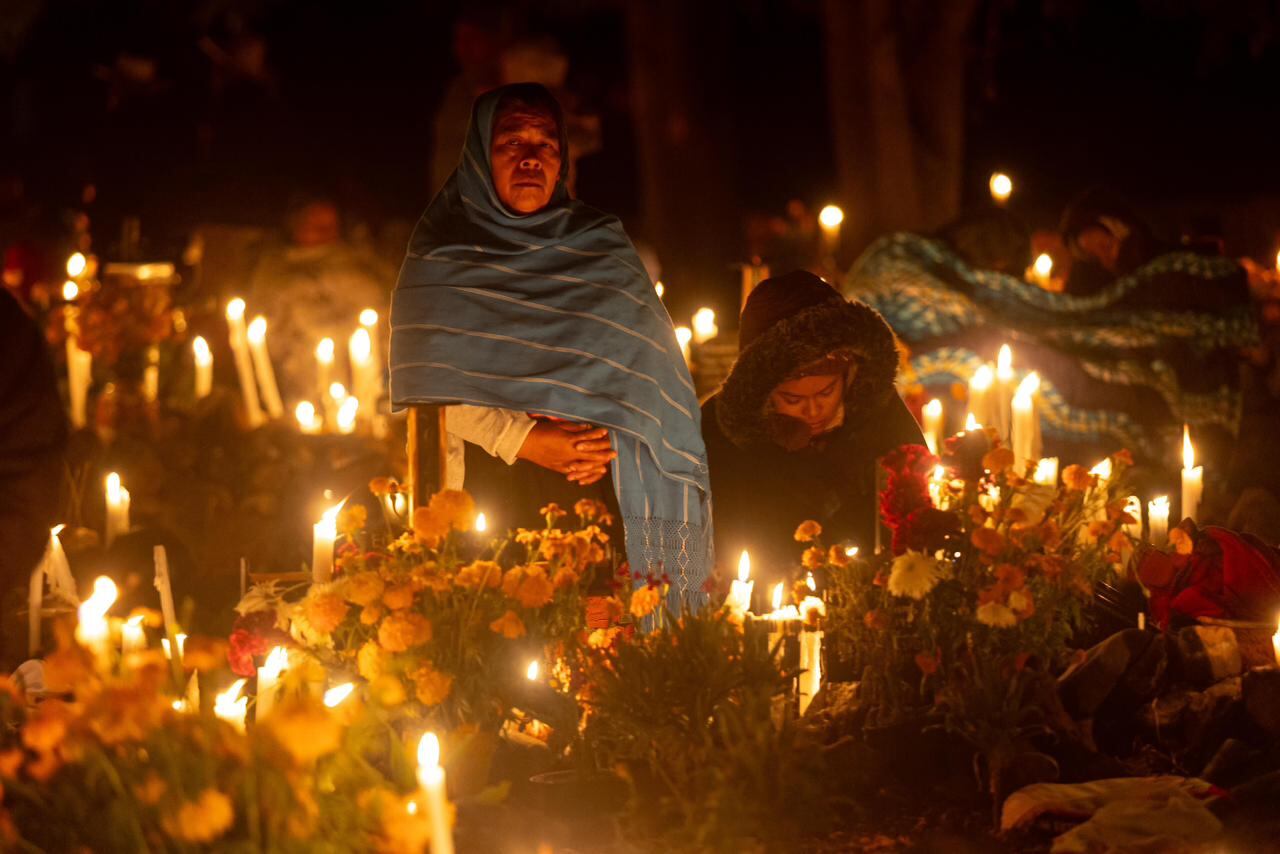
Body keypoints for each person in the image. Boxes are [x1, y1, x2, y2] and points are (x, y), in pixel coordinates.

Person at [390, 83, 711, 606]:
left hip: (600, 484)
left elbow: (646, 374)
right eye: (513, 143)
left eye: (547, 145)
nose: (531, 159)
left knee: (602, 646)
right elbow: (429, 391)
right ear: (479, 157)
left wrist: (600, 438)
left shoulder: (600, 247)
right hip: (490, 488)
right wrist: (529, 439)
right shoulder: (442, 257)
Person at [703, 271, 923, 575]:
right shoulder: (721, 437)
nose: (813, 409)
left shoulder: (880, 415)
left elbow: (914, 520)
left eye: (826, 391)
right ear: (763, 393)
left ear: (849, 375)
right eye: (792, 400)